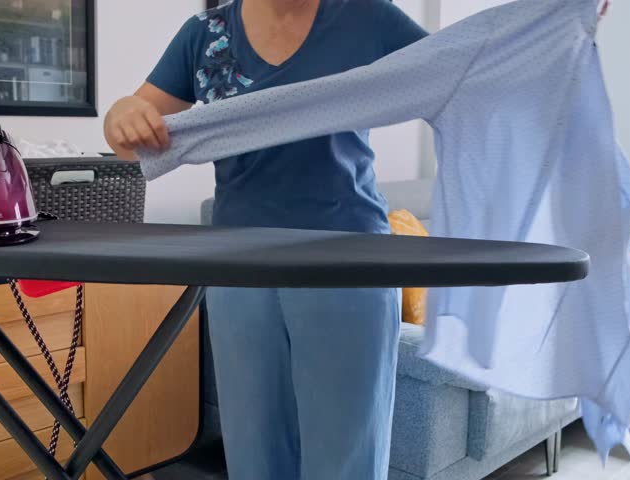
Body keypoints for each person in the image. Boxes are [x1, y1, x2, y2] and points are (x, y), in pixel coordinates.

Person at [104, 1, 427, 478]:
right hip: (240, 269)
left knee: (346, 458)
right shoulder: (204, 34)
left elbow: (459, 71)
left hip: (350, 265)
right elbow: (127, 140)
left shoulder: (368, 17)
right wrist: (121, 113)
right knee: (254, 451)